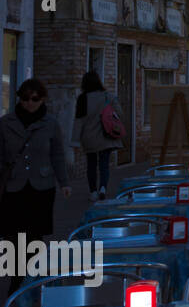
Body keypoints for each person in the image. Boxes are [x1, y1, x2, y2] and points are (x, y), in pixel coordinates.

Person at [0, 78, 71, 251]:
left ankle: (33, 274)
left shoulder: (51, 124)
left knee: (35, 235)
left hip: (41, 186)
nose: (29, 103)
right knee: (13, 234)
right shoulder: (6, 123)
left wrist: (64, 183)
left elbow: (57, 155)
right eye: (25, 98)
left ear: (42, 99)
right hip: (14, 185)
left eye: (34, 99)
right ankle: (17, 276)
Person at [71, 71, 124, 200]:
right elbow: (120, 113)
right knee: (104, 164)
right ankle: (103, 188)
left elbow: (78, 121)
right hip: (105, 136)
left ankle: (93, 191)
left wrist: (75, 141)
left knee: (91, 164)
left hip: (88, 138)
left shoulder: (82, 99)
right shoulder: (108, 96)